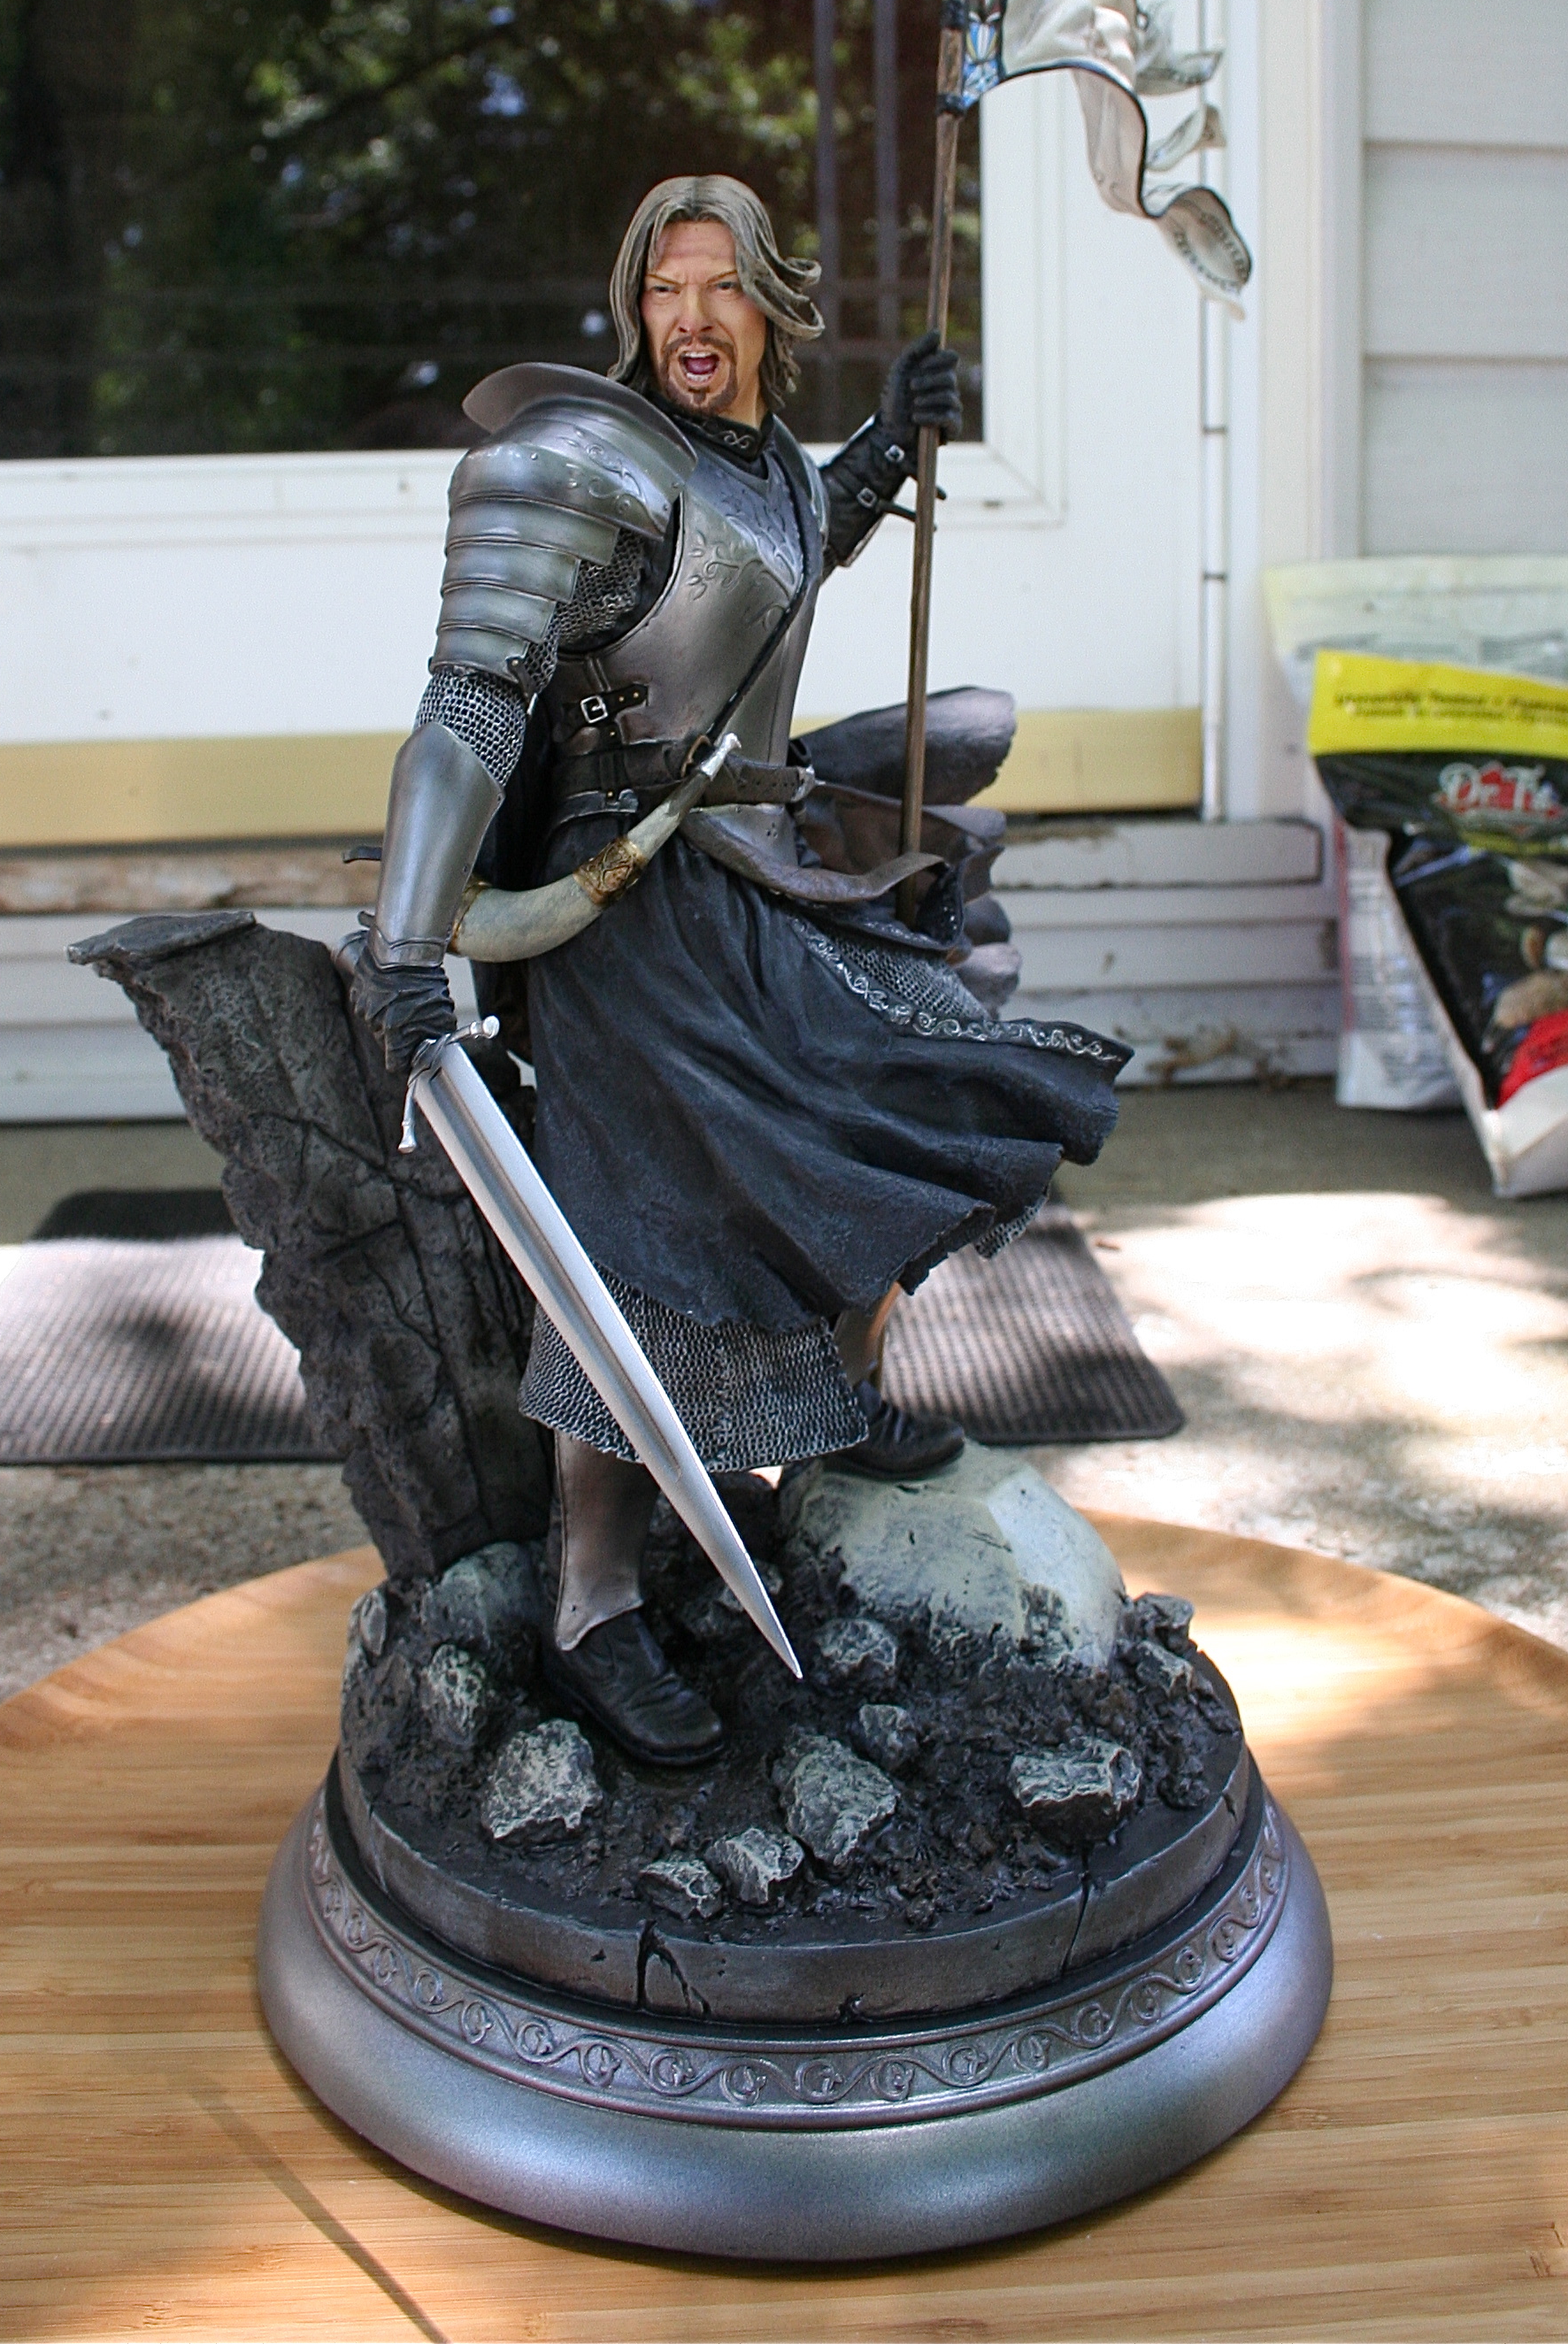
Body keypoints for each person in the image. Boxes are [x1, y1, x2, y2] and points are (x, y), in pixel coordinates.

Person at [346, 174, 1126, 1762]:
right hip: (625, 913)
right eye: (663, 290)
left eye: (720, 288)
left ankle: (830, 1415)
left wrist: (880, 456)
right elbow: (470, 705)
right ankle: (594, 1604)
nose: (690, 319)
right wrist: (411, 941)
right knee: (652, 1244)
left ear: (773, 303)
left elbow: (758, 573)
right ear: (631, 309)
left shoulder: (760, 466)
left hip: (757, 873)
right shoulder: (578, 460)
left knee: (919, 1082)